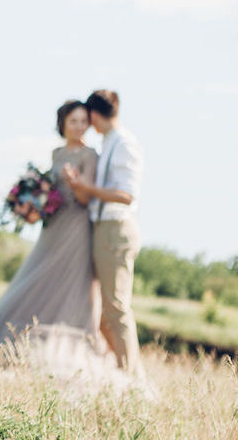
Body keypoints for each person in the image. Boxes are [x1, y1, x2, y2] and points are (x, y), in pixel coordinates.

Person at [0, 100, 106, 370]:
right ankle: (11, 338)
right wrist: (31, 205)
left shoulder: (90, 155)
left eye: (83, 121)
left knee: (70, 283)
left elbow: (86, 198)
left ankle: (62, 344)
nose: (79, 126)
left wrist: (75, 183)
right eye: (73, 121)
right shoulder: (56, 153)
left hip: (76, 225)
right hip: (52, 224)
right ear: (62, 124)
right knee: (35, 276)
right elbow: (48, 192)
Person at [64, 89, 145, 378]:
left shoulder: (124, 144)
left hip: (116, 230)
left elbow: (126, 195)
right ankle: (122, 371)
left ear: (96, 115)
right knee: (102, 312)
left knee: (117, 309)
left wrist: (86, 190)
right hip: (102, 230)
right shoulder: (109, 142)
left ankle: (132, 379)